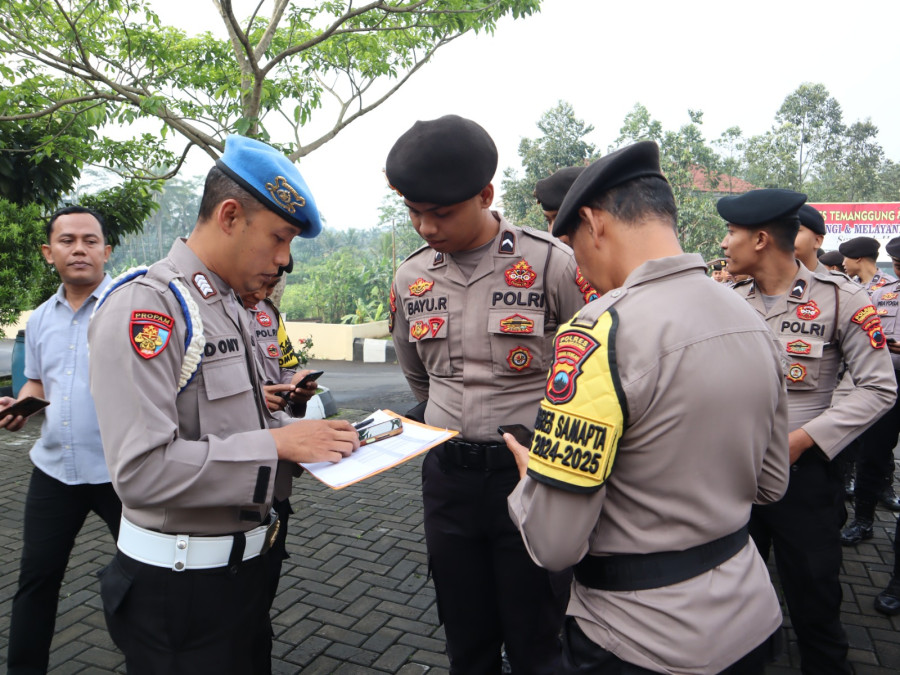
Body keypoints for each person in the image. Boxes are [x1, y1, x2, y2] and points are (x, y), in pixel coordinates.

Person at [505, 141, 790, 675]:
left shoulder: (598, 332)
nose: (579, 267)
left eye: (572, 245)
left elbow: (554, 543)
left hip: (637, 638)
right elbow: (772, 483)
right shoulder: (752, 318)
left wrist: (531, 482)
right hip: (749, 615)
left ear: (593, 223)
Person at [88, 135, 359, 674]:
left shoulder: (231, 305)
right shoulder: (152, 306)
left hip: (239, 580)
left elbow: (242, 419)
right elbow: (140, 471)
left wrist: (303, 437)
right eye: (280, 239)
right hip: (182, 596)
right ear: (230, 216)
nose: (286, 261)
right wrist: (277, 443)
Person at [385, 114, 591, 675]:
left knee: (536, 635)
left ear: (485, 195)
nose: (426, 227)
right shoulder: (410, 278)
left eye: (442, 212)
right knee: (465, 635)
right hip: (448, 476)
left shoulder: (550, 263)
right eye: (414, 212)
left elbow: (593, 370)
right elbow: (419, 378)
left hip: (529, 473)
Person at [719, 188, 896, 674]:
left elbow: (878, 388)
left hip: (806, 480)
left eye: (732, 232)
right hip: (732, 479)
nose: (724, 242)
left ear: (759, 239)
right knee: (731, 600)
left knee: (814, 602)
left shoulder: (841, 299)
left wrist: (803, 441)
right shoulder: (725, 300)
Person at [0, 206, 122, 675]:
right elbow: (37, 383)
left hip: (120, 474)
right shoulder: (40, 320)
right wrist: (20, 405)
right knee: (36, 582)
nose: (79, 249)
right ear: (48, 252)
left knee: (145, 582)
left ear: (107, 252)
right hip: (54, 471)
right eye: (67, 240)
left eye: (90, 240)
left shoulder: (130, 309)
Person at [840, 236, 900, 544]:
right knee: (871, 452)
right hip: (882, 380)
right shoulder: (878, 293)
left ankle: (886, 493)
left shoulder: (886, 286)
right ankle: (862, 521)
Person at [795, 205, 827, 273]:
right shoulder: (769, 281)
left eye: (794, 231)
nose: (785, 237)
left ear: (817, 241)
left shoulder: (835, 283)